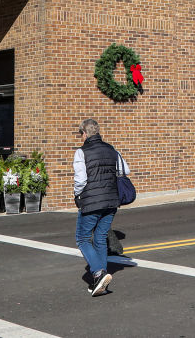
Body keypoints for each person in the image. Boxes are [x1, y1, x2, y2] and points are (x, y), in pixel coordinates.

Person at [73, 118, 130, 297]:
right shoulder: (112, 150)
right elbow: (125, 170)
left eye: (80, 134)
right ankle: (101, 280)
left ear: (84, 133)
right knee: (100, 237)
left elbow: (81, 180)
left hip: (91, 202)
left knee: (82, 238)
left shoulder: (82, 152)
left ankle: (98, 273)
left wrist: (77, 195)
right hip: (111, 201)